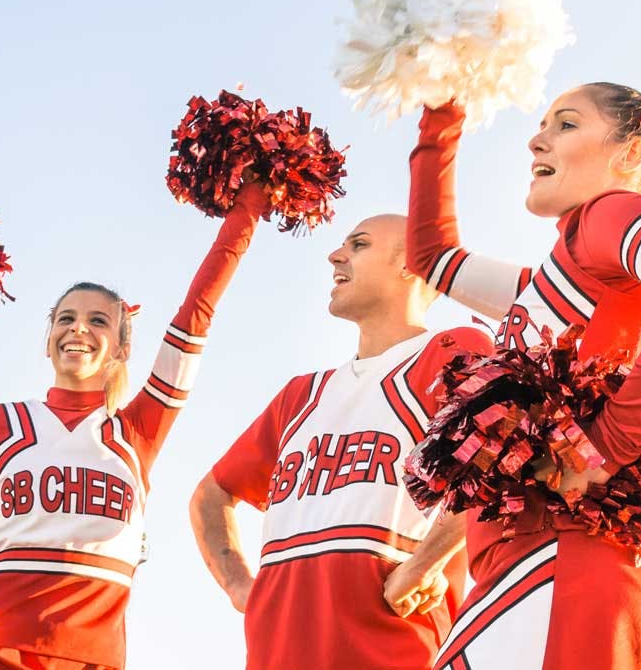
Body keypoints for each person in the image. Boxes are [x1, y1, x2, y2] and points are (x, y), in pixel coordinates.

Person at [407, 64, 641, 669]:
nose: (535, 139)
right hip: (532, 570)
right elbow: (432, 257)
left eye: (565, 125)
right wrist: (443, 112)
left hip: (562, 570)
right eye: (542, 124)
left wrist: (605, 446)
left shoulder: (603, 219)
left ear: (633, 152)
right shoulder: (558, 278)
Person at [0, 186, 268, 669]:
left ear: (121, 349)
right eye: (66, 318)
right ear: (47, 339)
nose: (79, 329)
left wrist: (250, 205)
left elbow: (197, 313)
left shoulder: (136, 432)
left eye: (98, 321)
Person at [191, 213, 494, 670]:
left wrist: (426, 563)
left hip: (393, 651)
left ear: (411, 264)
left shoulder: (451, 350)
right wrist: (240, 587)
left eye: (360, 244)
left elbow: (505, 449)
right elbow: (210, 495)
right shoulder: (301, 395)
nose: (336, 254)